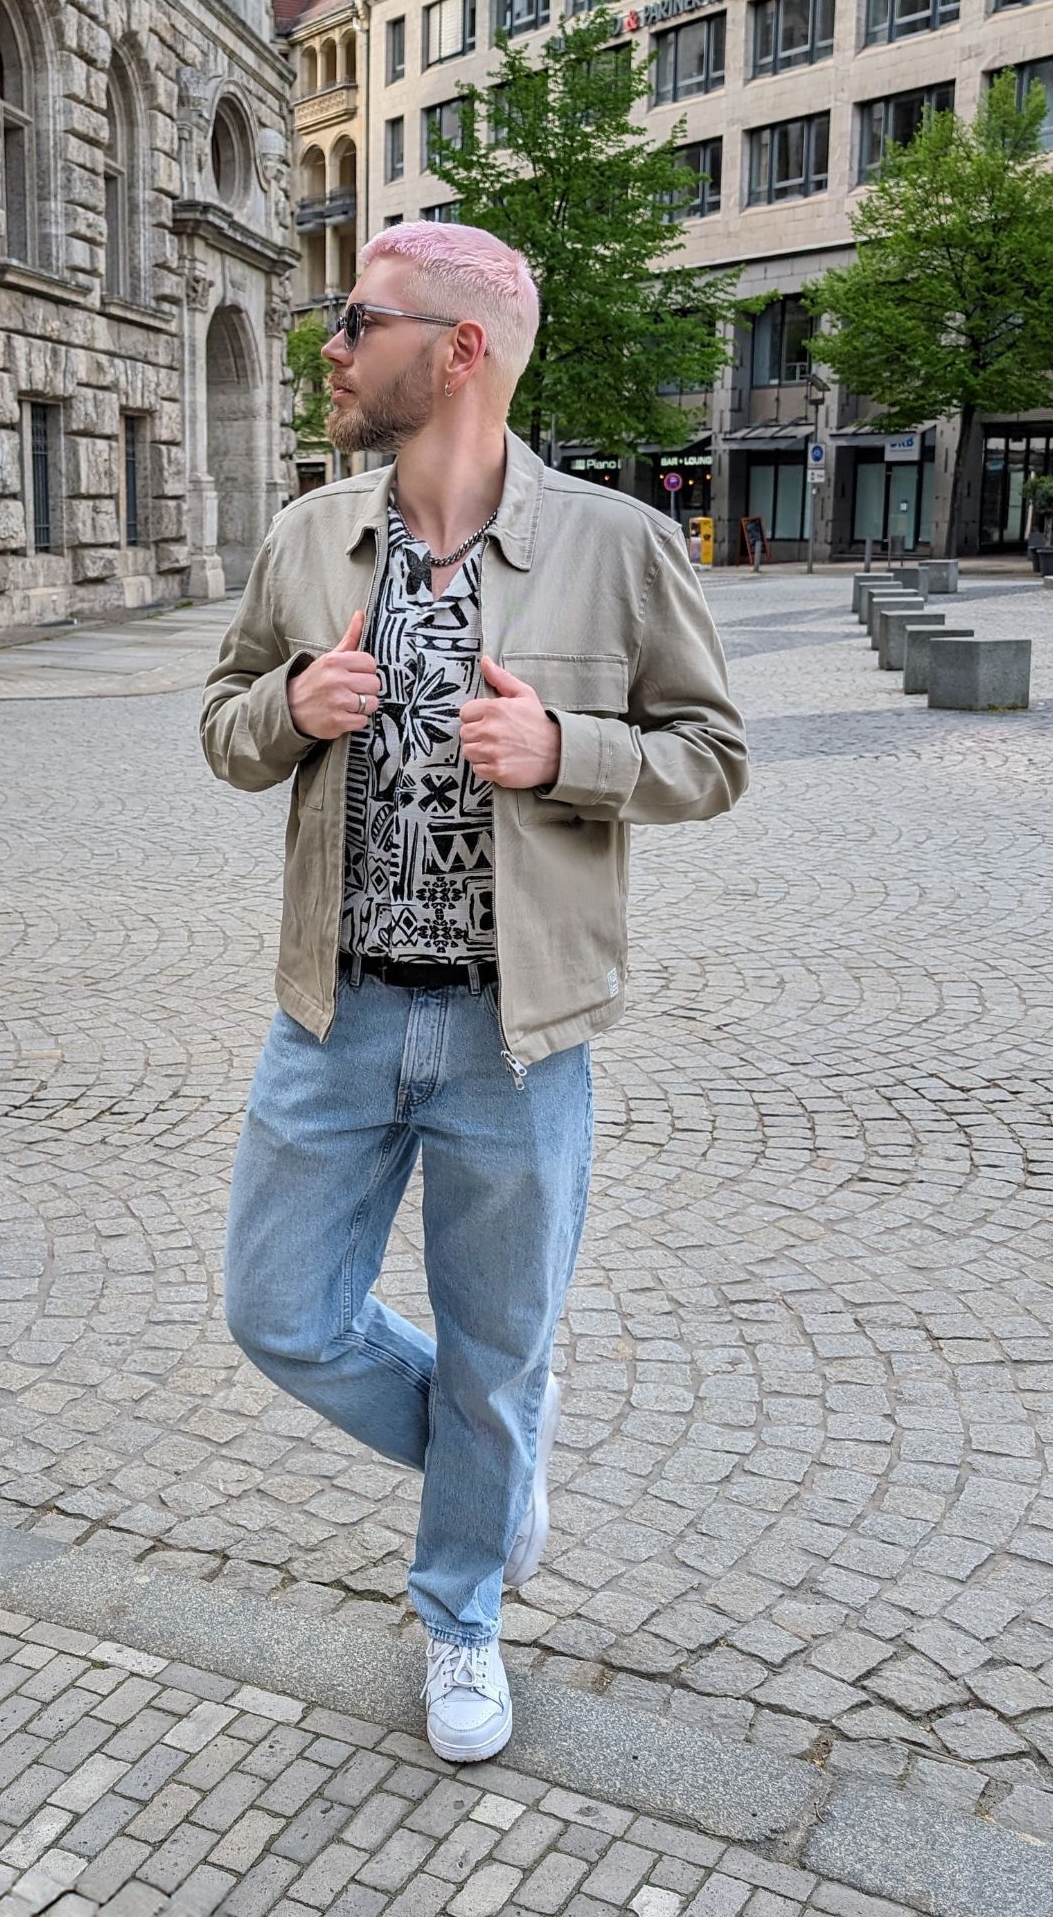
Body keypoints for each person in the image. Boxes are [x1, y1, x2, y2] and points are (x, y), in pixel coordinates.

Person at [199, 221, 748, 1764]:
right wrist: (292, 708)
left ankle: (460, 1620)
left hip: (521, 1032)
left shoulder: (618, 545)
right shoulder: (309, 539)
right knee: (280, 1314)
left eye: (355, 321)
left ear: (456, 352)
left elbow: (716, 756)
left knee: (498, 1342)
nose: (328, 345)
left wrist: (565, 753)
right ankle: (497, 1453)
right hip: (338, 1010)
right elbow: (222, 725)